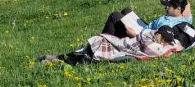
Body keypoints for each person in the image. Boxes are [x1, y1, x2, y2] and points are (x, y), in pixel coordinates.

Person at [40, 23, 179, 65]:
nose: (167, 43)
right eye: (165, 40)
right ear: (159, 35)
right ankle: (54, 60)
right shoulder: (147, 37)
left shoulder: (153, 37)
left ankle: (54, 58)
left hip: (112, 45)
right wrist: (169, 49)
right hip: (111, 46)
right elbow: (154, 51)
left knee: (80, 56)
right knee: (81, 58)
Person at [100, 0, 193, 37]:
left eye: (168, 6)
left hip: (139, 37)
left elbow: (155, 40)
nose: (165, 8)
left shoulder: (166, 25)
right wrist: (184, 6)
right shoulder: (186, 18)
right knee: (126, 11)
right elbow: (186, 4)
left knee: (115, 16)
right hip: (144, 29)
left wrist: (134, 35)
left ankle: (99, 44)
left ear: (178, 8)